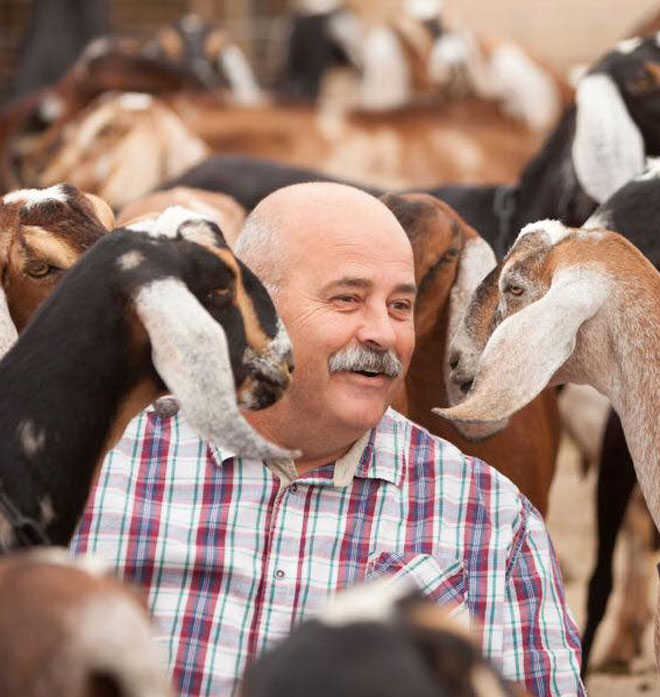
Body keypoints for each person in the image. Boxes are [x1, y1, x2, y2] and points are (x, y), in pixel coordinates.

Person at [72, 183, 584, 697]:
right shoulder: (101, 470)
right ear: (255, 304)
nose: (383, 332)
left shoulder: (492, 519)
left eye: (400, 306)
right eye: (348, 299)